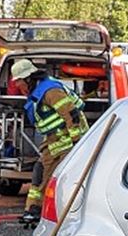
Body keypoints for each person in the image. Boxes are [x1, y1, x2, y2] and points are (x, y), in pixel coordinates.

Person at [13, 59, 89, 227]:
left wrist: (76, 141)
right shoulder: (38, 90)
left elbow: (71, 114)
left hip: (67, 142)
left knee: (56, 178)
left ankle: (44, 212)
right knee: (40, 172)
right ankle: (33, 210)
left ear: (28, 78)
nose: (17, 85)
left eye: (19, 81)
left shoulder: (50, 91)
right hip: (55, 141)